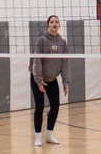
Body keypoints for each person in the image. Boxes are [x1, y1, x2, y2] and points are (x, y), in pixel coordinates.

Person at [30, 15, 71, 146]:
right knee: (40, 106)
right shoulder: (41, 40)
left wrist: (65, 82)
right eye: (52, 22)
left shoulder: (62, 42)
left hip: (52, 79)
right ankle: (38, 137)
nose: (54, 24)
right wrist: (39, 81)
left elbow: (65, 63)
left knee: (55, 106)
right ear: (48, 25)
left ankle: (49, 135)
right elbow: (36, 61)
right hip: (38, 78)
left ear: (59, 25)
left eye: (57, 22)